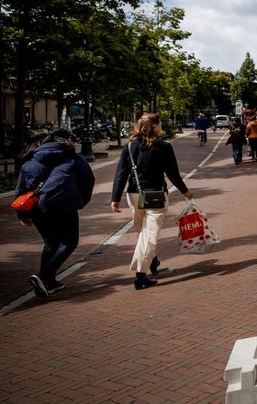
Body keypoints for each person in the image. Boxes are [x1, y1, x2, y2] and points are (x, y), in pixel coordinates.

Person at [110, 113, 194, 290]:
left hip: (134, 195)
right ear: (155, 126)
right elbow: (173, 173)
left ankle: (153, 260)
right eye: (160, 124)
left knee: (142, 231)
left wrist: (115, 198)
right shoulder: (163, 147)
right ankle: (140, 276)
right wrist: (185, 191)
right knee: (149, 235)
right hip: (155, 196)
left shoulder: (129, 146)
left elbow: (121, 173)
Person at [15, 129, 95, 298]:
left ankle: (48, 282)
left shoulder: (30, 159)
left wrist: (22, 214)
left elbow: (20, 189)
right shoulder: (73, 157)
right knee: (69, 242)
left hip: (37, 208)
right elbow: (88, 179)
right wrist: (79, 199)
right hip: (64, 205)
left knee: (50, 242)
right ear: (65, 141)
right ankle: (43, 276)